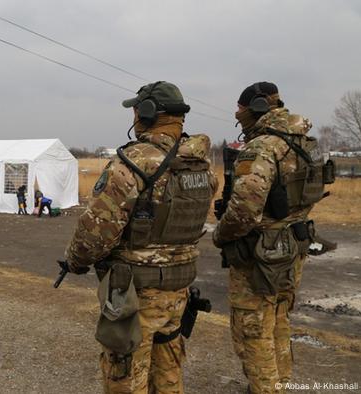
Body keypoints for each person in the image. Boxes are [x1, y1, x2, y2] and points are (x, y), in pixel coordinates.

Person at [64, 81, 216, 393]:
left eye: (136, 110)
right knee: (169, 374)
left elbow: (96, 232)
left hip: (137, 294)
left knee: (127, 377)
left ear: (146, 113)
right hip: (180, 288)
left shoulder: (135, 161)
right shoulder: (199, 164)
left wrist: (75, 261)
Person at [212, 82, 331, 393]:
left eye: (240, 109)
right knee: (278, 318)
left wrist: (220, 235)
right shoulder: (305, 142)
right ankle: (280, 383)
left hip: (262, 253)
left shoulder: (263, 147)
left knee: (252, 328)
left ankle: (266, 388)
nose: (237, 115)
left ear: (259, 107)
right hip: (295, 244)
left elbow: (244, 212)